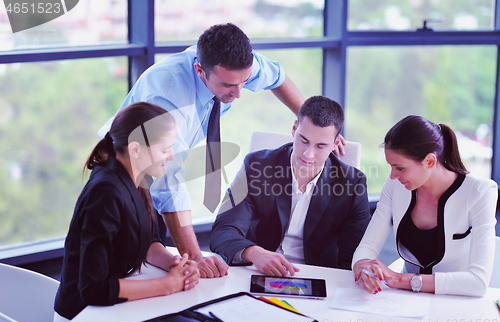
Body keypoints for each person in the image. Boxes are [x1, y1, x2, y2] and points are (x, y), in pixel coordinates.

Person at [98, 23, 326, 279]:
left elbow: (278, 77)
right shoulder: (169, 97)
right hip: (126, 169)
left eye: (245, 81)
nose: (239, 94)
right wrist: (194, 256)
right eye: (228, 85)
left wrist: (313, 125)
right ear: (200, 71)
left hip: (158, 168)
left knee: (162, 262)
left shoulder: (237, 65)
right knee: (127, 265)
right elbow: (169, 186)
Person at [52, 102, 200, 322]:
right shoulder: (105, 193)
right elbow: (94, 289)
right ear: (135, 149)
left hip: (113, 310)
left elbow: (147, 240)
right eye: (165, 149)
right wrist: (167, 285)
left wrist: (175, 265)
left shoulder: (137, 175)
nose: (171, 156)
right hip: (82, 319)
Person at [210, 96, 371, 276]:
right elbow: (223, 230)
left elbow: (355, 255)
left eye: (320, 146)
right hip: (257, 271)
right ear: (294, 128)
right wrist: (254, 253)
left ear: (335, 144)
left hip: (319, 278)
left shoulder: (353, 184)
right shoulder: (256, 166)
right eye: (303, 140)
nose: (308, 154)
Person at [352, 115, 497, 297]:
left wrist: (401, 280)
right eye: (391, 166)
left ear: (429, 161)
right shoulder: (395, 186)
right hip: (404, 300)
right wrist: (362, 266)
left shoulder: (480, 192)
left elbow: (478, 282)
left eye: (400, 168)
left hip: (454, 301)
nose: (392, 176)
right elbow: (368, 246)